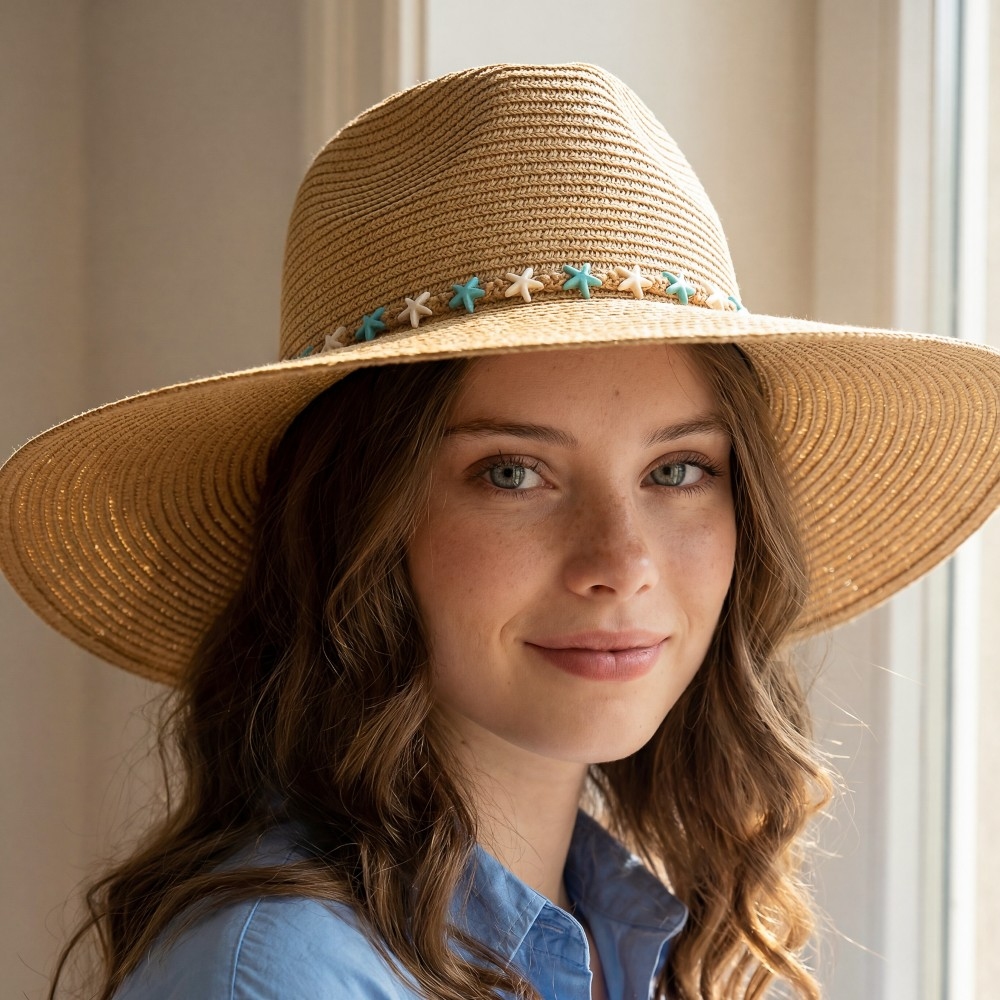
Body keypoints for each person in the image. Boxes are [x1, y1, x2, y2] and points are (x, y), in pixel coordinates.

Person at [2, 63, 998, 1000]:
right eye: (513, 472)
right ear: (358, 521)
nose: (621, 561)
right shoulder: (281, 974)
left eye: (677, 469)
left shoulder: (614, 920)